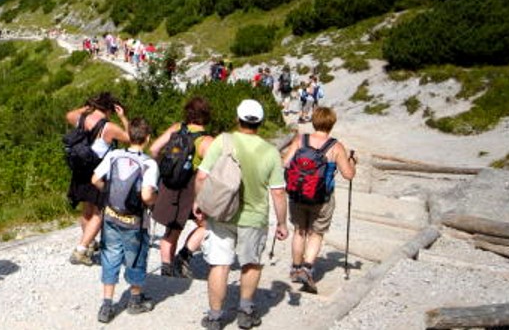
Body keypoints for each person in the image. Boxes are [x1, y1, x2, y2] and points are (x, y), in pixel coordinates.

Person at [195, 100, 288, 330]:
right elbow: (278, 192)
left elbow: (201, 176)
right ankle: (245, 311)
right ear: (261, 122)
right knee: (251, 263)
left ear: (238, 118)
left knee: (219, 264)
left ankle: (215, 317)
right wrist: (282, 223)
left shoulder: (223, 141)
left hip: (222, 213)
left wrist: (200, 202)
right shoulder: (271, 152)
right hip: (254, 217)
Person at [90, 117, 158, 323]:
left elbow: (94, 179)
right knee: (135, 257)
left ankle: (107, 305)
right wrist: (154, 199)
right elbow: (146, 196)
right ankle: (135, 300)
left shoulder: (114, 155)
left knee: (110, 255)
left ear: (129, 136)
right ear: (147, 138)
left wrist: (109, 193)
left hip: (111, 215)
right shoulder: (149, 163)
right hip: (134, 221)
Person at [281, 107, 356, 291]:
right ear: (332, 124)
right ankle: (307, 268)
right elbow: (348, 175)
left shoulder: (301, 140)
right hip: (322, 198)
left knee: (300, 230)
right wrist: (352, 161)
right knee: (316, 233)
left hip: (298, 193)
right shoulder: (335, 146)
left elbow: (285, 162)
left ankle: (296, 269)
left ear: (313, 121)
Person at [148, 96, 214, 278]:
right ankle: (184, 255)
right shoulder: (207, 141)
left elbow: (153, 149)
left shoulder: (177, 128)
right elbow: (211, 172)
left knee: (172, 228)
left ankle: (166, 269)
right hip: (192, 188)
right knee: (208, 225)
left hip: (170, 185)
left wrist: (165, 167)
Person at [64, 92, 130, 265]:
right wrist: (123, 117)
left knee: (87, 209)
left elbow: (68, 115)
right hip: (98, 173)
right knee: (99, 212)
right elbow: (131, 139)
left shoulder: (80, 118)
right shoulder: (109, 127)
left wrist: (86, 108)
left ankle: (89, 243)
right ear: (110, 109)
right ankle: (81, 249)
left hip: (80, 171)